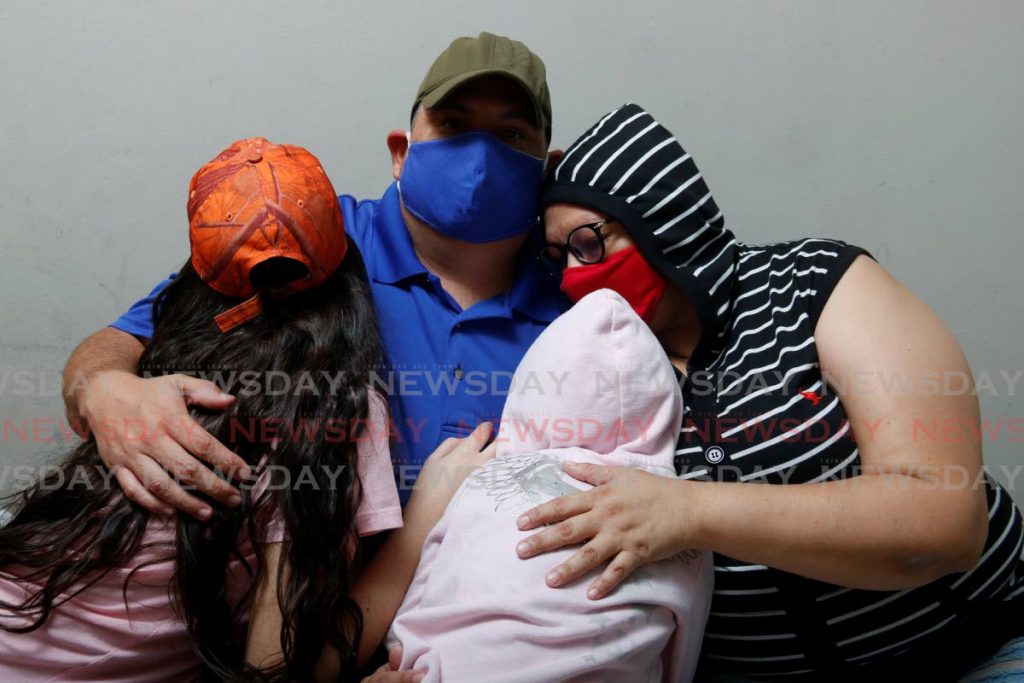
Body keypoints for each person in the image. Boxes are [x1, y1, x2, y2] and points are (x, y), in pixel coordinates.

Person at [515, 103, 1024, 680]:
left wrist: (688, 510)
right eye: (557, 258)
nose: (574, 277)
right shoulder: (602, 376)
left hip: (977, 654)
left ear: (659, 219)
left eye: (588, 243)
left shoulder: (813, 286)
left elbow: (945, 519)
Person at [0, 138, 491, 682]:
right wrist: (423, 518)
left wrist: (103, 383)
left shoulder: (166, 357)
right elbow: (275, 667)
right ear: (348, 271)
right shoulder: (331, 408)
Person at [59, 31, 565, 525]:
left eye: (511, 135)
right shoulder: (305, 237)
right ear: (401, 153)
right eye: (454, 125)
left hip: (485, 593)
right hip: (288, 585)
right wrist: (105, 389)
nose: (479, 155)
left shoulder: (579, 298)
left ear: (548, 169)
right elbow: (121, 340)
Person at [387, 289, 714, 682]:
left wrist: (403, 655)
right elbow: (684, 651)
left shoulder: (483, 483)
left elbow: (421, 591)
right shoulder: (685, 527)